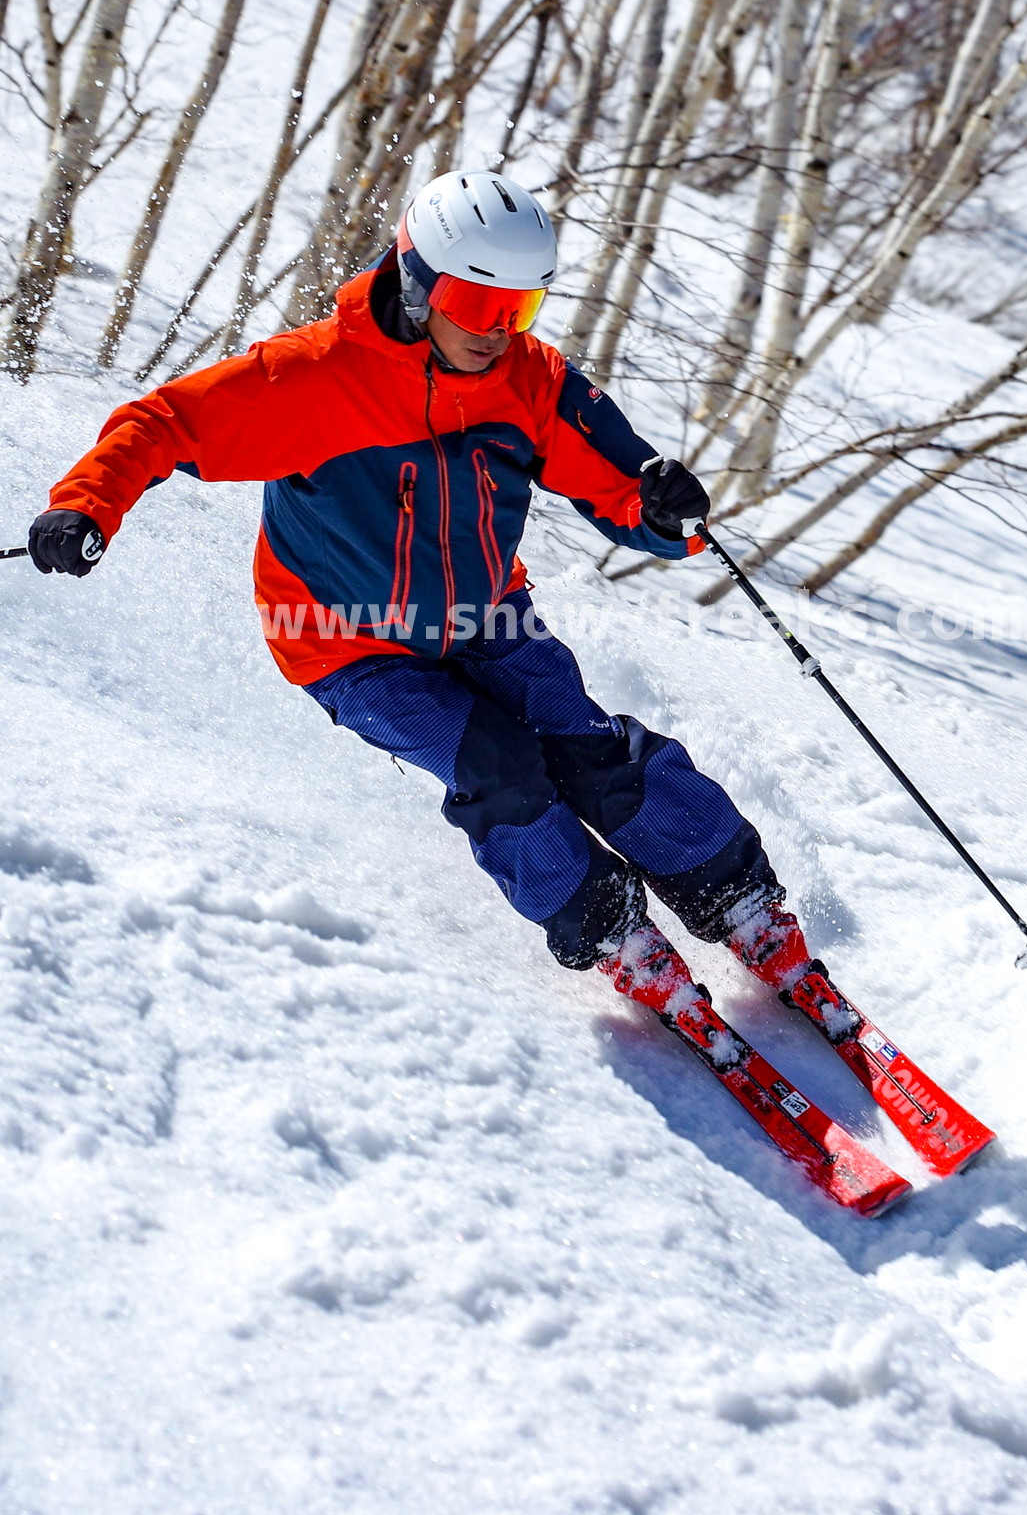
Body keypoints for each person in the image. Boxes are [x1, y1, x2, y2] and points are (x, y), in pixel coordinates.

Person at [28, 171, 818, 1037]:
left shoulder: (532, 381)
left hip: (488, 616)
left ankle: (738, 897)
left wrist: (663, 511)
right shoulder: (312, 378)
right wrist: (86, 504)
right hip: (346, 645)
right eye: (478, 305)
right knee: (499, 772)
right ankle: (612, 935)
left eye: (519, 309)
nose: (496, 332)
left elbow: (623, 490)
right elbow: (162, 422)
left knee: (591, 752)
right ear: (418, 281)